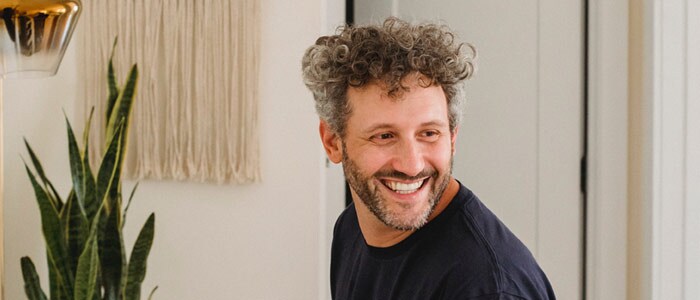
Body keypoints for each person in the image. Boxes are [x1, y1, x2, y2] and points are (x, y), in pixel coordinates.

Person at [301, 17, 556, 300]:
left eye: (429, 133)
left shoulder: (486, 288)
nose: (412, 165)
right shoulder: (353, 229)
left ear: (452, 138)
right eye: (384, 136)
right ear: (333, 142)